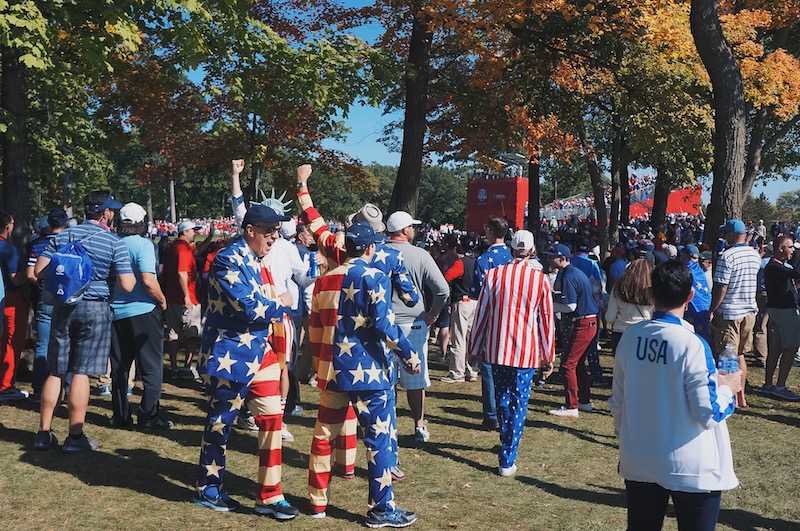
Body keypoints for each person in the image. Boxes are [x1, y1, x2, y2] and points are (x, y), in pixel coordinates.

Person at [609, 260, 741, 531]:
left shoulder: (630, 337)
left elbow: (618, 403)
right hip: (692, 465)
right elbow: (707, 411)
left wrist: (627, 445)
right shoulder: (692, 344)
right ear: (690, 296)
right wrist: (729, 388)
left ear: (652, 293)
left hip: (640, 458)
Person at [306, 222, 421, 527]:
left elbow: (314, 329)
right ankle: (381, 509)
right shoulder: (375, 278)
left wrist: (320, 369)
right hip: (369, 372)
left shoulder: (324, 280)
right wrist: (409, 356)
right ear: (371, 248)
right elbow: (385, 326)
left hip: (332, 370)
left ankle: (317, 502)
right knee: (379, 439)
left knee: (323, 435)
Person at [193, 204, 300, 520]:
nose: (274, 236)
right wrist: (281, 303)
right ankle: (209, 490)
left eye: (277, 231)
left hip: (261, 353)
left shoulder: (259, 260)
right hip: (231, 357)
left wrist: (276, 303)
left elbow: (266, 302)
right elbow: (253, 307)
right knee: (219, 424)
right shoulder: (228, 259)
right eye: (269, 230)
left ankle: (270, 495)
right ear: (250, 230)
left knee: (272, 420)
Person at [33, 191, 136, 451]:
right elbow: (127, 283)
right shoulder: (114, 242)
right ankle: (75, 437)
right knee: (80, 372)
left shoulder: (63, 235)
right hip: (95, 308)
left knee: (56, 371)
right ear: (106, 213)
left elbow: (38, 271)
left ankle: (43, 434)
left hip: (63, 306)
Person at [468, 230, 555, 476]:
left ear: (511, 248)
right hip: (525, 354)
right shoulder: (539, 279)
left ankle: (507, 446)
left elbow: (481, 316)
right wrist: (548, 356)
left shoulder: (494, 275)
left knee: (504, 400)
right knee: (518, 402)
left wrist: (474, 348)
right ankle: (507, 455)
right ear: (531, 251)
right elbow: (546, 321)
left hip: (497, 351)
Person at [386, 210, 450, 443]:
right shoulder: (420, 254)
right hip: (413, 323)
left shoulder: (376, 252)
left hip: (384, 324)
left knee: (387, 379)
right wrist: (434, 312)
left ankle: (387, 425)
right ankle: (419, 426)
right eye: (411, 227)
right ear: (404, 230)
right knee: (415, 379)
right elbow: (442, 289)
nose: (414, 230)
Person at [108, 203, 172, 429]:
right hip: (143, 310)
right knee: (152, 367)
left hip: (116, 311)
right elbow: (147, 279)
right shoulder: (144, 245)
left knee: (119, 368)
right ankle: (149, 416)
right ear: (142, 222)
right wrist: (162, 301)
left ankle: (121, 416)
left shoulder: (114, 243)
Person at [709, 219, 760, 408]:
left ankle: (730, 397)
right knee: (739, 355)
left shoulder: (727, 256)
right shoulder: (754, 254)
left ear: (731, 235)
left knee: (727, 356)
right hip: (749, 310)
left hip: (730, 311)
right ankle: (741, 397)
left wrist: (712, 310)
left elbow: (721, 288)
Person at [545, 243, 598, 418]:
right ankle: (584, 401)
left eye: (553, 257)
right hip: (588, 321)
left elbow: (570, 305)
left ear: (562, 258)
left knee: (568, 364)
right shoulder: (573, 272)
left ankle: (571, 406)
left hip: (583, 321)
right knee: (578, 364)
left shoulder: (568, 275)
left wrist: (550, 305)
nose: (550, 259)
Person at [471, 216, 513, 430]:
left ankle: (491, 414)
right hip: (514, 317)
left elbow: (479, 295)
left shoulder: (483, 261)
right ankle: (507, 408)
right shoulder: (513, 257)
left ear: (488, 231)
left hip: (491, 317)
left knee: (488, 366)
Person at [26, 208, 69, 401]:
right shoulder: (71, 243)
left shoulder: (37, 244)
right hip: (67, 296)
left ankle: (39, 388)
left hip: (46, 295)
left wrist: (43, 284)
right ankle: (67, 388)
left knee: (43, 344)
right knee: (67, 342)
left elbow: (30, 273)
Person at [163, 219, 214, 379]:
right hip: (187, 297)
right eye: (193, 231)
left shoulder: (175, 246)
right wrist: (187, 297)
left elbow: (198, 251)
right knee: (192, 333)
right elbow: (182, 273)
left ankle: (173, 368)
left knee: (173, 334)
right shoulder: (184, 250)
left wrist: (210, 237)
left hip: (170, 296)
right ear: (185, 232)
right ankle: (186, 366)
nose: (195, 233)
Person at [762, 235, 800, 401]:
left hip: (778, 309)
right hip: (784, 310)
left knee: (776, 347)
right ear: (780, 248)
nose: (793, 250)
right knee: (790, 347)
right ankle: (780, 386)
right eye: (790, 247)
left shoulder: (778, 267)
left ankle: (769, 383)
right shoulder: (774, 267)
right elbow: (797, 273)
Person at [0, 211, 29, 402]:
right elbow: (14, 279)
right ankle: (5, 385)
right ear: (8, 226)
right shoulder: (9, 250)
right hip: (10, 299)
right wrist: (29, 273)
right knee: (12, 340)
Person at [441, 236, 479, 383]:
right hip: (476, 302)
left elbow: (447, 277)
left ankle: (457, 373)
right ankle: (473, 371)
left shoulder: (461, 263)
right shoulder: (478, 262)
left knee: (459, 339)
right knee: (472, 339)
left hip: (462, 302)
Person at [605, 258, 654, 356]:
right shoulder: (653, 289)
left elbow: (609, 317)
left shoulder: (619, 287)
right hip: (644, 332)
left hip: (620, 332)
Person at [679, 244, 712, 345]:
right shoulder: (699, 271)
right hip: (705, 307)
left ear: (684, 255)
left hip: (692, 309)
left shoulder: (685, 272)